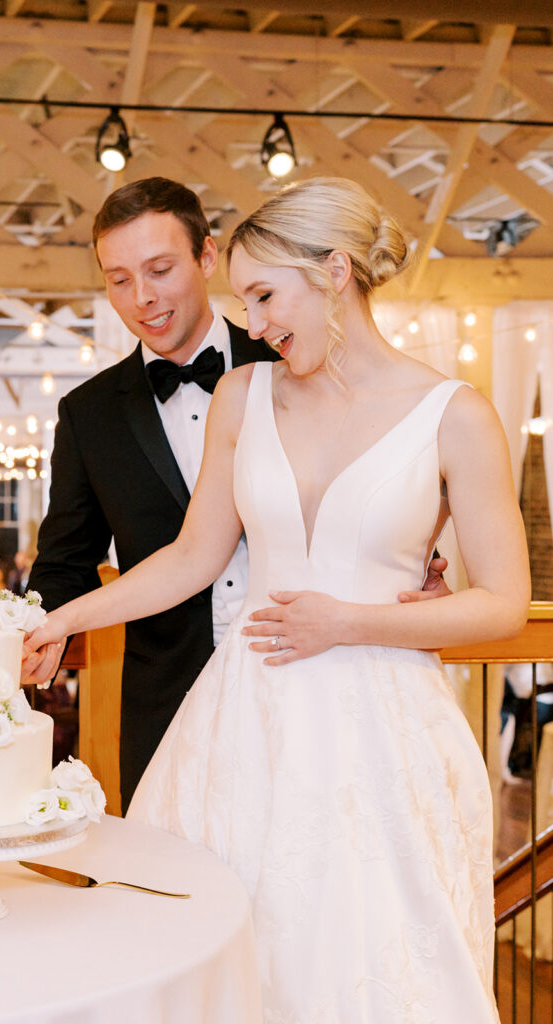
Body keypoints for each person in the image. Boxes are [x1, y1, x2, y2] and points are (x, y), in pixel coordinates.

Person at [26, 177, 530, 1021]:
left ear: (333, 271)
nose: (254, 325)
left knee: (369, 962)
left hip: (383, 728)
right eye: (245, 302)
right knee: (223, 957)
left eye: (263, 296)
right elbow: (190, 557)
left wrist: (352, 621)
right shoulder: (242, 395)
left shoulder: (456, 414)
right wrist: (65, 617)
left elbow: (505, 604)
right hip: (241, 722)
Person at [25, 176, 447, 812]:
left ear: (206, 256)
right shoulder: (88, 413)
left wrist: (407, 575)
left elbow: (375, 495)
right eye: (118, 280)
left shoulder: (301, 354)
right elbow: (74, 559)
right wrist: (42, 626)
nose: (141, 298)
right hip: (168, 703)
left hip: (328, 690)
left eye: (160, 269)